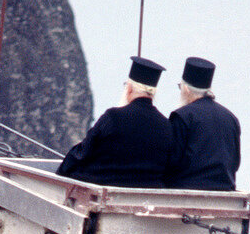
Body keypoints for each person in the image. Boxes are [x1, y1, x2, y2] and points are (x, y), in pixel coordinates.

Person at [57, 56, 173, 188]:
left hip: (103, 192)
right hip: (147, 198)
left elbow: (81, 154)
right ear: (153, 94)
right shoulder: (166, 126)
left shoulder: (113, 117)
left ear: (129, 89)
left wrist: (62, 170)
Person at [166, 57, 241, 190]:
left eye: (180, 87)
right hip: (225, 193)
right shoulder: (231, 118)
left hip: (185, 194)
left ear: (187, 90)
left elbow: (172, 162)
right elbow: (235, 163)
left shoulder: (182, 116)